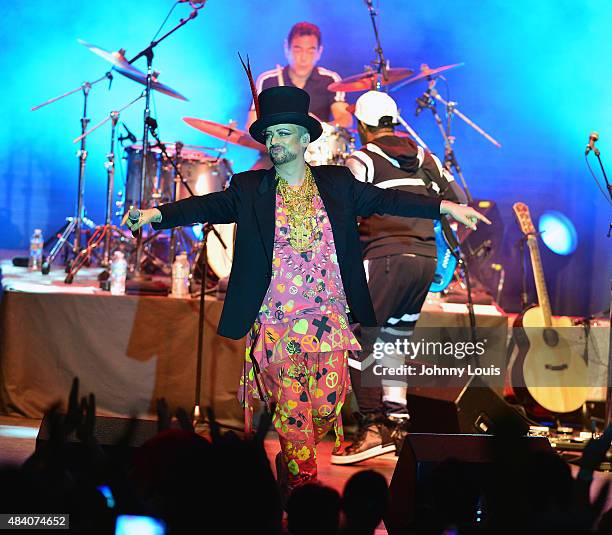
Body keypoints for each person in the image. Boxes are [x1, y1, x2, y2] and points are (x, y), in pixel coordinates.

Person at [123, 85, 490, 498]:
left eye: (284, 132)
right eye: (271, 134)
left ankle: (294, 464)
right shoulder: (250, 188)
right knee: (295, 419)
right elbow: (206, 206)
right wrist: (155, 213)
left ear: (303, 138)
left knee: (320, 414)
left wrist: (444, 206)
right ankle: (303, 495)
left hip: (329, 325)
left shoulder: (337, 183)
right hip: (277, 324)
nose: (276, 141)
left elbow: (389, 200)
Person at [331, 90, 468, 465]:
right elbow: (456, 204)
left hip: (386, 257)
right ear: (393, 123)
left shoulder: (362, 159)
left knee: (357, 336)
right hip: (425, 260)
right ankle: (398, 428)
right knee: (392, 341)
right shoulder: (426, 157)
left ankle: (373, 425)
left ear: (360, 127)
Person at [246, 21, 352, 170]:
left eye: (311, 50)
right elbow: (251, 124)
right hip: (274, 156)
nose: (303, 57)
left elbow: (345, 119)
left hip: (316, 155)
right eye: (297, 49)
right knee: (248, 186)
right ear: (286, 48)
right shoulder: (268, 81)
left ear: (320, 51)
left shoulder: (330, 80)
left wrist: (320, 127)